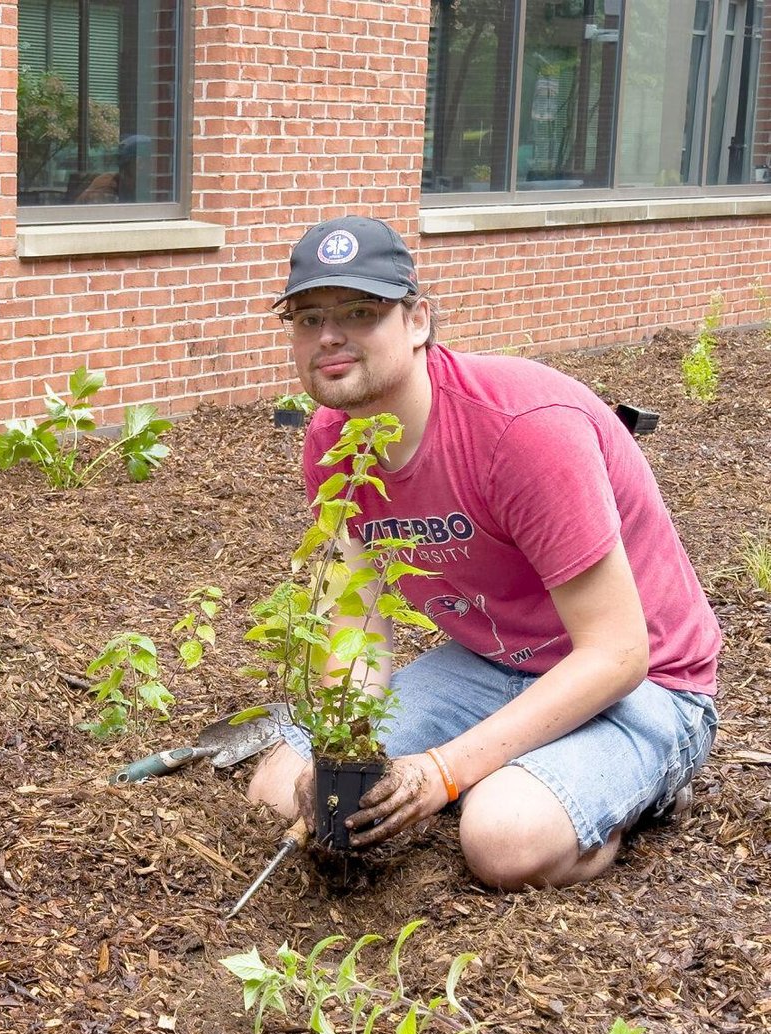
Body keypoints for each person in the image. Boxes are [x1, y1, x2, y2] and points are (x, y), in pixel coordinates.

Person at [247, 215, 720, 890]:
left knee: (500, 838)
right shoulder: (333, 443)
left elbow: (618, 652)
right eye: (308, 316)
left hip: (648, 684)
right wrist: (342, 755)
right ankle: (517, 766)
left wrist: (441, 772)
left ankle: (628, 795)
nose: (329, 335)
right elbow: (356, 625)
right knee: (283, 784)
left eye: (360, 311)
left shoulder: (521, 433)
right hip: (493, 664)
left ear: (417, 321)